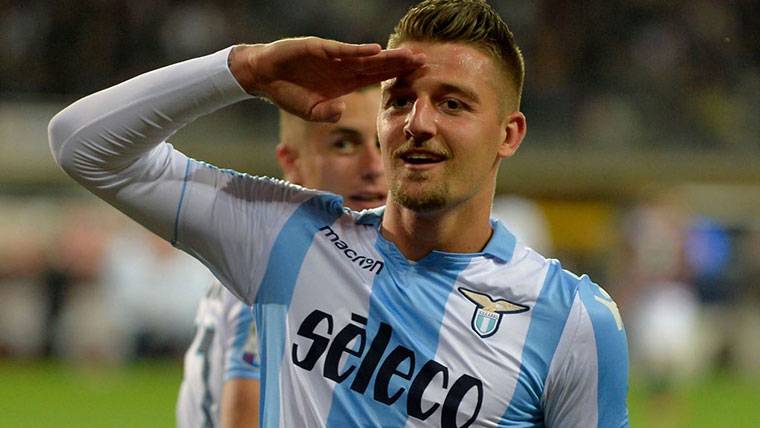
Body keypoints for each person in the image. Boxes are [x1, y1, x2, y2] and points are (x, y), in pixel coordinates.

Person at [49, 0, 629, 426]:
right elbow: (82, 146)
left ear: (509, 134)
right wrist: (244, 70)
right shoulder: (287, 237)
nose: (418, 123)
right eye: (400, 101)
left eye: (452, 104)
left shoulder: (573, 321)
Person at [177, 86, 385, 428]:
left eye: (382, 143)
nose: (374, 166)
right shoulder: (279, 263)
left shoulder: (341, 260)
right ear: (292, 162)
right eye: (344, 144)